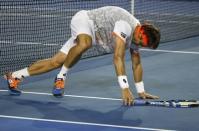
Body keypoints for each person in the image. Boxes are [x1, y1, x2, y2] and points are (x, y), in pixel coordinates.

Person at [4, 6, 160, 106]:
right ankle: (61, 78)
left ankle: (15, 76)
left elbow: (136, 63)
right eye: (141, 43)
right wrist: (125, 88)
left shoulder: (138, 35)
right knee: (84, 44)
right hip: (85, 21)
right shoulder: (126, 26)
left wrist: (141, 91)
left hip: (92, 35)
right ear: (140, 32)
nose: (139, 46)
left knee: (56, 61)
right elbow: (118, 57)